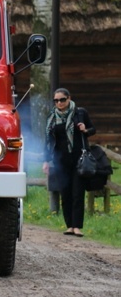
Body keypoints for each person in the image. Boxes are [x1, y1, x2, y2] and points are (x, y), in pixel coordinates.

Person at [43, 88, 96, 238]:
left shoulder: (80, 113)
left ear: (69, 99)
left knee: (77, 193)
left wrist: (85, 130)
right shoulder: (52, 117)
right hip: (60, 161)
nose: (59, 103)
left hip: (79, 159)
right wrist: (46, 161)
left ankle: (77, 226)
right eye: (56, 100)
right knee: (65, 193)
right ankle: (69, 226)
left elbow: (93, 130)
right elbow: (48, 140)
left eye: (62, 100)